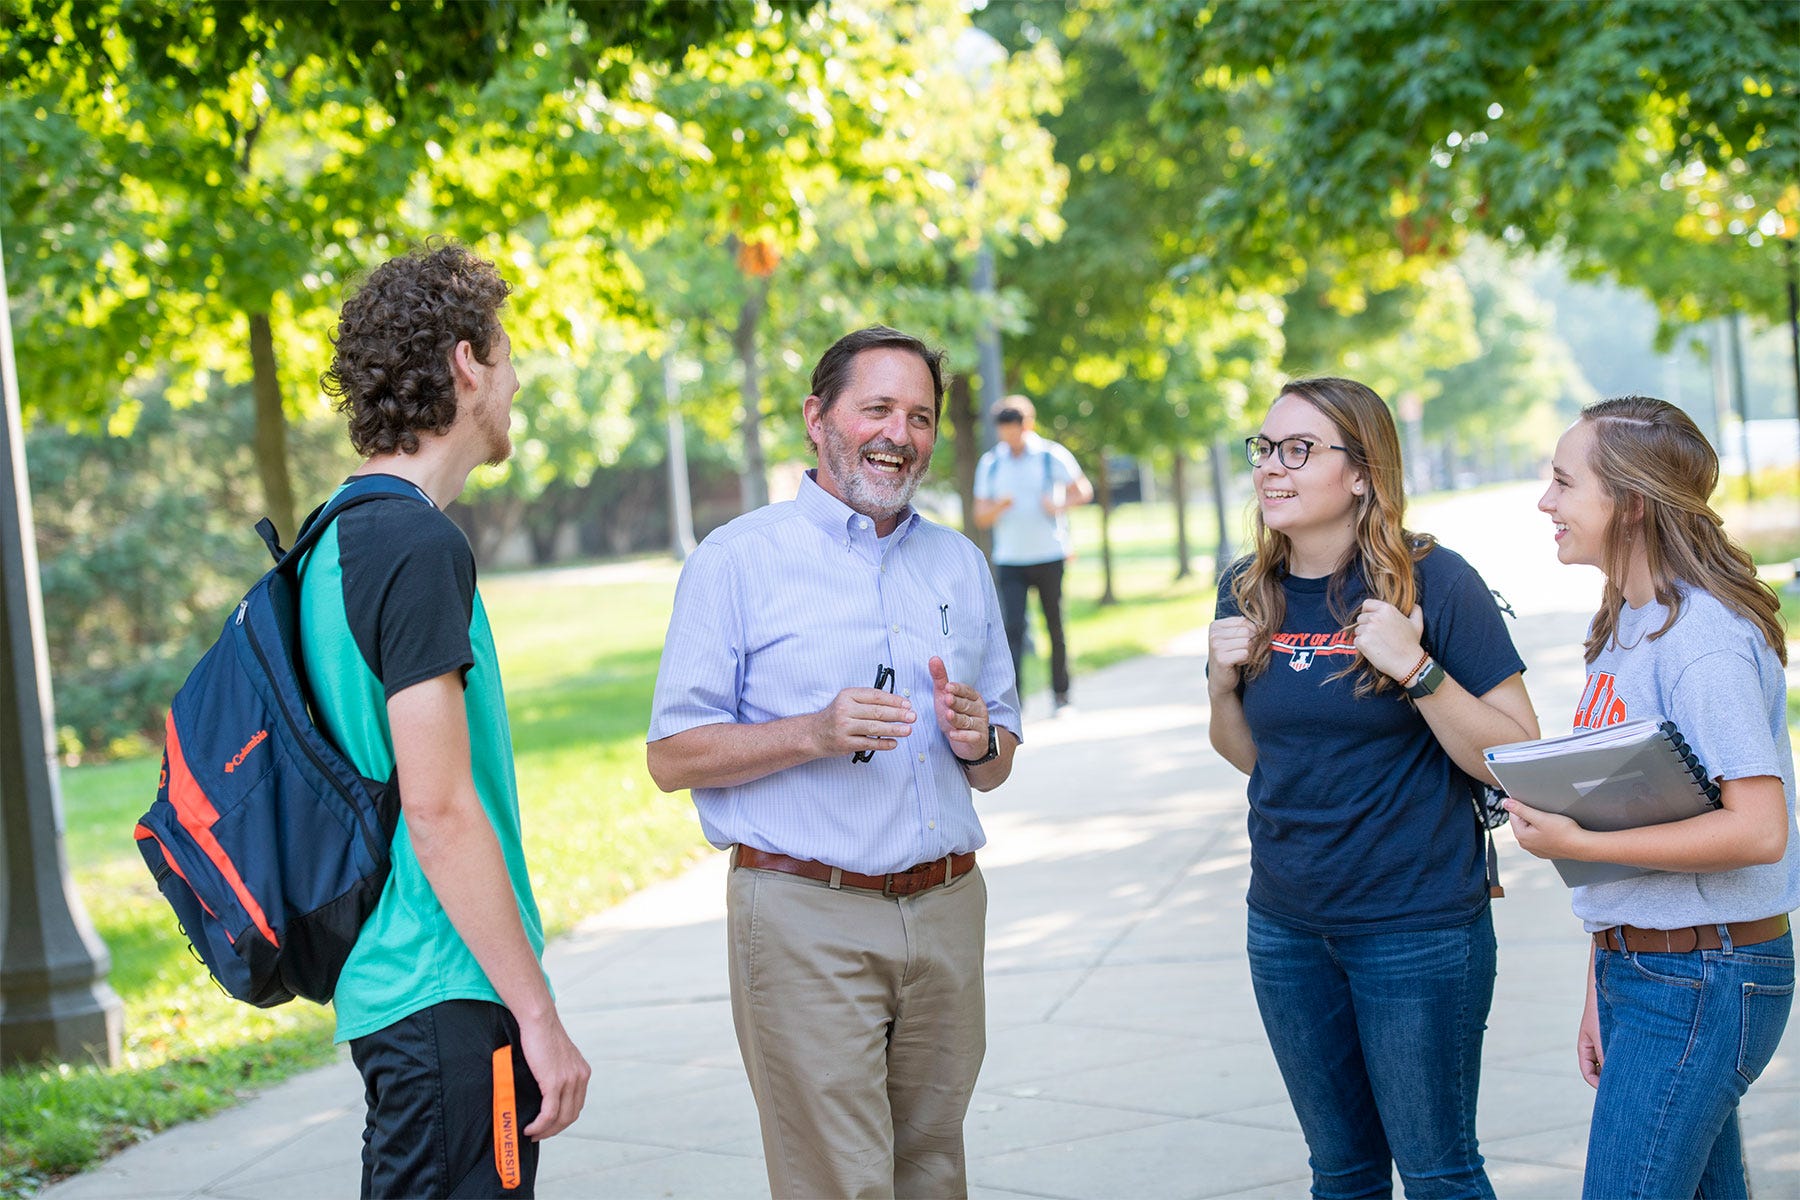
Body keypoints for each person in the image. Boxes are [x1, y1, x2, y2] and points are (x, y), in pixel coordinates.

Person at [646, 325, 1021, 1199]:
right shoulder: (736, 561)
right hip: (805, 913)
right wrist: (810, 732)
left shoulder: (959, 565)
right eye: (877, 408)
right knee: (839, 1183)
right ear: (819, 418)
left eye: (920, 416)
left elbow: (999, 755)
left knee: (933, 1171)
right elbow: (671, 756)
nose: (900, 434)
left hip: (946, 909)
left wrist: (981, 740)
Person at [1206, 376, 1538, 1199]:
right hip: (1285, 928)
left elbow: (1518, 753)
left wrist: (1417, 670)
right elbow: (1259, 758)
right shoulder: (1249, 587)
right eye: (1264, 449)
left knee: (1437, 1173)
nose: (1270, 469)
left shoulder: (1435, 582)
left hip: (1416, 928)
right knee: (1342, 1172)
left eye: (1298, 450)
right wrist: (1220, 685)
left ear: (1362, 473)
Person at [306, 243, 590, 1198]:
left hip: (393, 986)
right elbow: (438, 808)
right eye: (507, 355)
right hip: (445, 988)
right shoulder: (418, 546)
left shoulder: (337, 534)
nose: (516, 380)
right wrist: (538, 1017)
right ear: (468, 363)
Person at [1508, 396, 1797, 1200]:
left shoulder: (1700, 640)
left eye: (1564, 483)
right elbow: (1632, 814)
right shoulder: (1628, 628)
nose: (1546, 502)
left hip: (1705, 976)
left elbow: (1758, 830)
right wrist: (1601, 976)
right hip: (1655, 971)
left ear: (1630, 504)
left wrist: (1578, 844)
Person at [973, 394, 1093, 713]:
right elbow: (980, 515)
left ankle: (1062, 696)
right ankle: (1016, 701)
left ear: (1027, 425)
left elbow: (1083, 490)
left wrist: (1060, 505)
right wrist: (1000, 505)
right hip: (1010, 558)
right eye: (1003, 431)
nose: (1008, 437)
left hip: (1050, 554)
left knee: (1055, 625)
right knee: (1012, 629)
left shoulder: (1050, 456)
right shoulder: (992, 463)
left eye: (1013, 429)